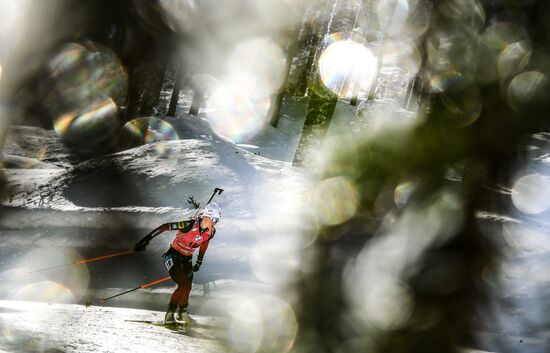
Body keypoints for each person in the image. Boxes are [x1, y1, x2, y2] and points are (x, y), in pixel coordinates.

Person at [133, 202, 222, 324]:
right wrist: (146, 240)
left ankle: (182, 313)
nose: (216, 222)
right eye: (215, 219)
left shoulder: (211, 232)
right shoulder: (189, 225)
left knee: (188, 287)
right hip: (173, 256)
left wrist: (199, 260)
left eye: (217, 220)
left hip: (187, 259)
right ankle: (170, 314)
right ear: (207, 216)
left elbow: (204, 243)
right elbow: (165, 226)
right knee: (183, 285)